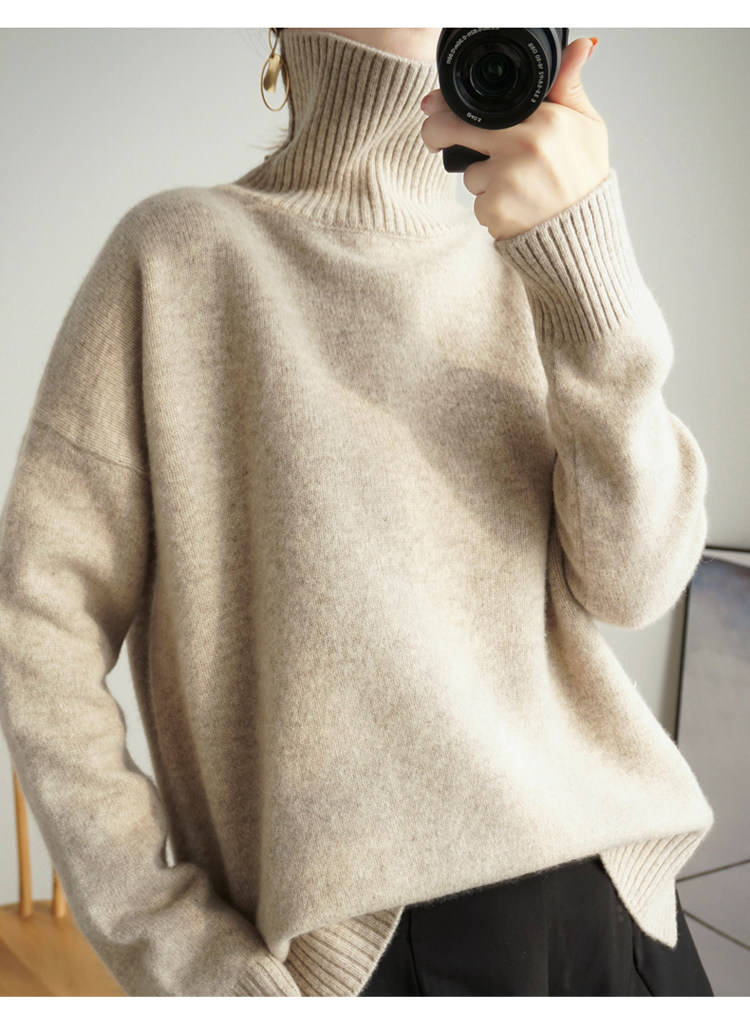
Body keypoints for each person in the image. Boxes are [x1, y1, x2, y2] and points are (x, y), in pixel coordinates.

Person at [0, 27, 715, 996]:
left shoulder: (541, 262)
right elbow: (36, 623)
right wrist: (180, 950)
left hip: (627, 906)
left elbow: (636, 583)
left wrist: (593, 278)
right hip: (380, 948)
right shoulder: (178, 256)